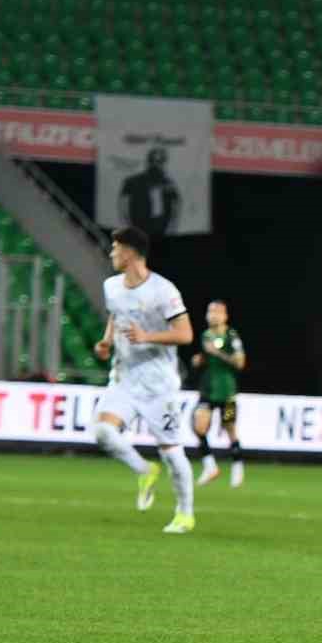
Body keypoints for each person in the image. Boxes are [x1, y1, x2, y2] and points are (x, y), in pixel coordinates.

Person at [91, 226, 196, 534]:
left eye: (115, 247)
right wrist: (106, 341)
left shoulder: (163, 291)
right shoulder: (111, 286)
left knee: (172, 452)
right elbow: (116, 315)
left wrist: (147, 336)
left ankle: (185, 514)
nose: (111, 253)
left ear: (130, 252)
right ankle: (144, 469)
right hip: (124, 379)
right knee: (102, 431)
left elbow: (185, 334)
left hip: (158, 386)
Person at [190, 300, 246, 488]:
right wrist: (200, 360)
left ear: (225, 316)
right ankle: (210, 467)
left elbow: (240, 363)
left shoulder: (232, 337)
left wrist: (218, 353)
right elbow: (206, 358)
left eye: (217, 312)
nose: (212, 315)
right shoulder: (206, 335)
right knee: (199, 427)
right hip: (208, 390)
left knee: (230, 428)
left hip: (227, 392)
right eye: (210, 311)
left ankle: (237, 467)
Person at [118, 147, 182, 239]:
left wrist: (172, 225)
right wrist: (126, 223)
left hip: (160, 227)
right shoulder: (133, 181)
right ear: (148, 162)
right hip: (139, 226)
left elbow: (176, 204)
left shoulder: (168, 183)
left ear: (164, 163)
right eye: (153, 161)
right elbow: (123, 203)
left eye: (160, 161)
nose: (156, 165)